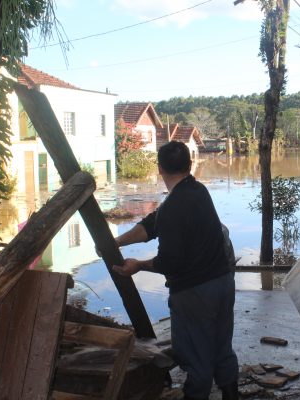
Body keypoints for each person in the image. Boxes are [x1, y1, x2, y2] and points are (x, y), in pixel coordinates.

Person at [112, 141, 239, 400]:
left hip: (195, 293)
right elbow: (153, 224)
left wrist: (139, 265)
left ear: (159, 169)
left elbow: (169, 262)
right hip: (224, 283)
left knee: (196, 355)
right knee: (221, 345)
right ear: (190, 165)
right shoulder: (198, 191)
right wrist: (117, 242)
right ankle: (230, 394)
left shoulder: (173, 207)